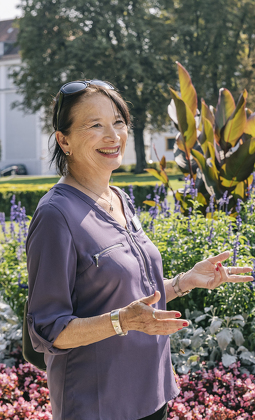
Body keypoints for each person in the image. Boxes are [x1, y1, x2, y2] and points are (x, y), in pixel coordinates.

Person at [26, 79, 253, 420]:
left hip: (152, 393)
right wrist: (121, 322)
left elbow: (133, 299)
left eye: (118, 122)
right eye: (95, 125)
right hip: (99, 404)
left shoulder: (120, 199)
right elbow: (48, 330)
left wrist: (185, 282)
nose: (113, 135)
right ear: (64, 140)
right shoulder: (56, 215)